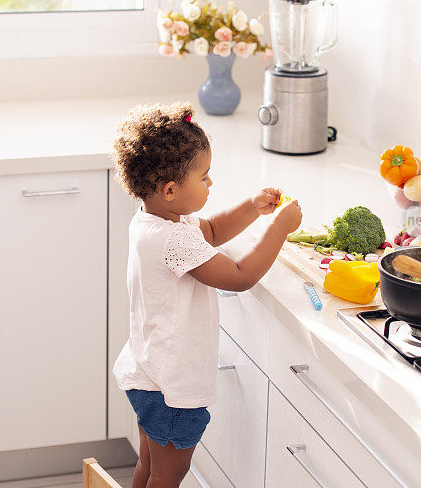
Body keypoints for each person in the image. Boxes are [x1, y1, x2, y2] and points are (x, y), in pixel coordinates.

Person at [110, 101, 302, 488]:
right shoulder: (172, 238)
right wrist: (279, 230)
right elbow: (238, 276)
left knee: (149, 468)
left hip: (147, 376)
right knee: (168, 476)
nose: (210, 184)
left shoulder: (154, 220)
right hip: (173, 391)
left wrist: (251, 208)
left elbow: (210, 232)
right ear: (169, 190)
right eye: (204, 177)